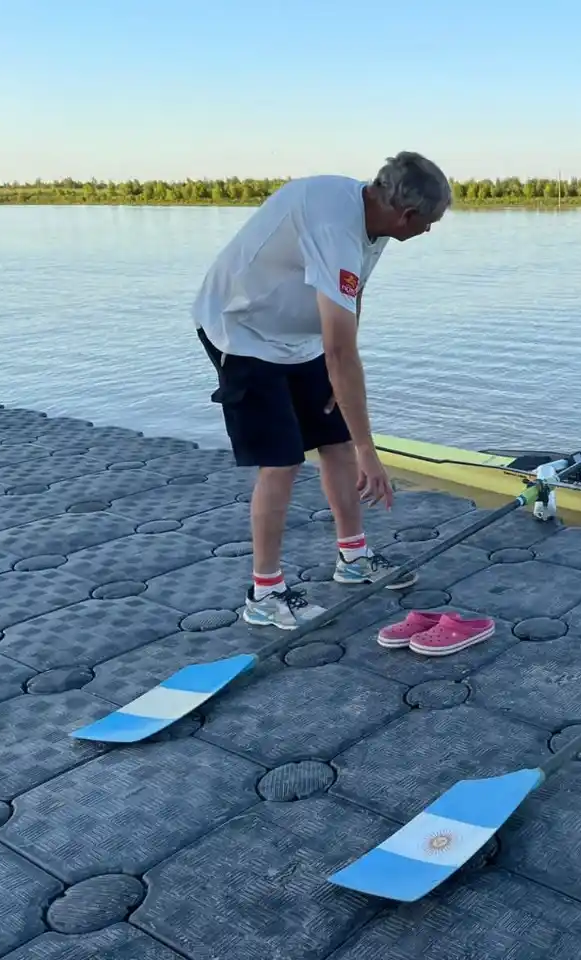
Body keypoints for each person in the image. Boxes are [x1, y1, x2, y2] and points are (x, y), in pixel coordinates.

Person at [191, 151, 452, 629]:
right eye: (430, 222)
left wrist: (343, 395)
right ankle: (264, 592)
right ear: (406, 213)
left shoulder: (375, 217)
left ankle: (353, 560)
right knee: (283, 459)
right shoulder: (334, 223)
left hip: (299, 340)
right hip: (242, 331)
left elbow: (351, 305)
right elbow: (340, 351)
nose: (429, 231)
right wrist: (370, 450)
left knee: (335, 443)